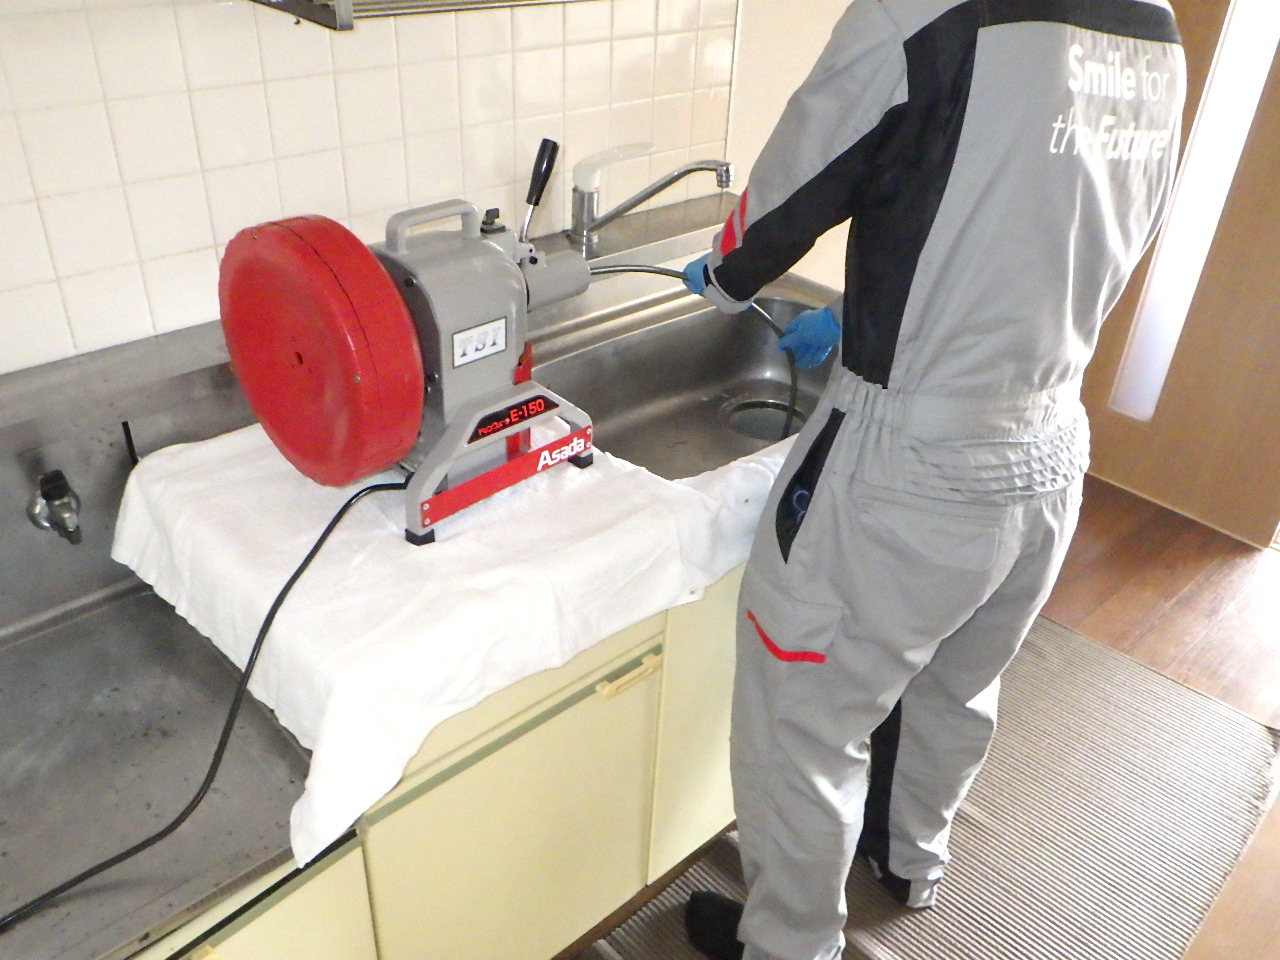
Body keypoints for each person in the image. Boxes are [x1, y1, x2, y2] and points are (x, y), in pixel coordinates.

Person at [679, 1, 1185, 959]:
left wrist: (724, 272)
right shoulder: (1153, 25)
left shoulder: (921, 9)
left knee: (804, 723)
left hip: (905, 459)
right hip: (1050, 435)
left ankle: (787, 946)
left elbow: (789, 189)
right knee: (955, 681)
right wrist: (873, 313)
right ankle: (909, 858)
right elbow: (1071, 221)